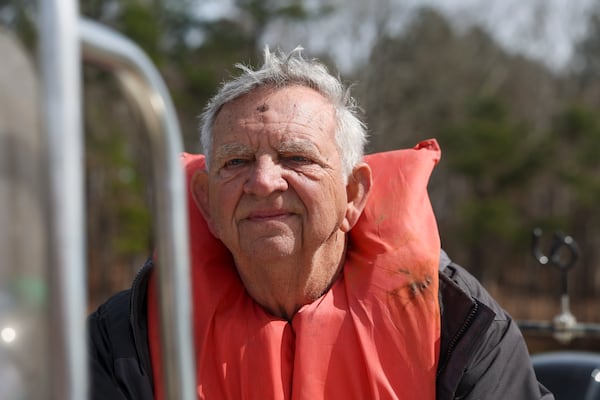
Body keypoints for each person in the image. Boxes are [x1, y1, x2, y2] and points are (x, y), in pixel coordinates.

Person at [88, 46, 553, 400]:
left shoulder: (463, 327)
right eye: (236, 162)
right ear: (206, 204)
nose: (264, 181)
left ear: (353, 195)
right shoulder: (125, 337)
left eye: (296, 157)